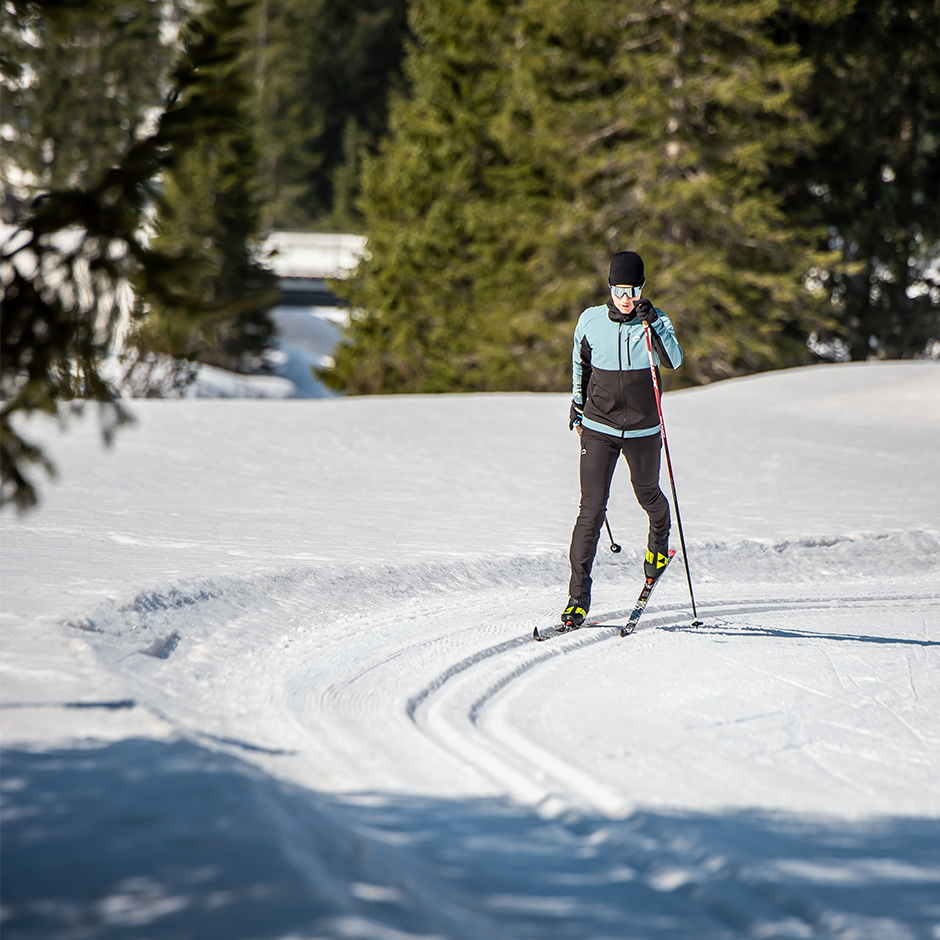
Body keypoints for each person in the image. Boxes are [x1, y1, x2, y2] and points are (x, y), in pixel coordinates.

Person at [562, 250, 683, 627]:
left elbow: (675, 360)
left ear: (642, 288)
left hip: (644, 431)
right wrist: (577, 404)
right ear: (610, 288)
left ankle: (658, 549)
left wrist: (656, 327)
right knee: (591, 510)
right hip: (598, 427)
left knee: (648, 494)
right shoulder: (591, 321)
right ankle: (577, 598)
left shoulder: (655, 320)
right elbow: (580, 365)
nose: (626, 298)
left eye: (632, 290)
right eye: (619, 290)